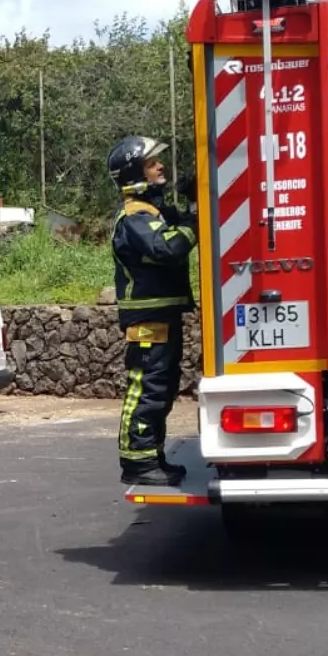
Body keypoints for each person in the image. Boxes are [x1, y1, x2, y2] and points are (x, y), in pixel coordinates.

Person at [107, 134, 198, 487]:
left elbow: (178, 222)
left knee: (162, 386)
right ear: (134, 172)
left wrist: (195, 203)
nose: (160, 166)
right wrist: (193, 224)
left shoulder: (153, 210)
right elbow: (167, 247)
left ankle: (152, 454)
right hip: (147, 321)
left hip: (160, 316)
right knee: (146, 388)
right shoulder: (135, 216)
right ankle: (138, 462)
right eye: (151, 163)